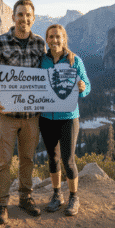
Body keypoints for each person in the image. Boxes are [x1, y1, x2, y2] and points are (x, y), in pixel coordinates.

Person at [0, 0, 46, 225]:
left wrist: (69, 58)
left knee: (27, 158)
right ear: (13, 17)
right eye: (20, 15)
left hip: (31, 117)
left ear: (33, 18)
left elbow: (47, 75)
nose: (24, 19)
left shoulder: (40, 44)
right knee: (3, 161)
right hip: (6, 116)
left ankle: (25, 199)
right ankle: (1, 204)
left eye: (28, 15)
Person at [39, 24, 91, 216]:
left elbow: (87, 88)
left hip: (68, 117)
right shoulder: (42, 61)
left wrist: (83, 87)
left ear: (64, 39)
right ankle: (56, 195)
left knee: (68, 160)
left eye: (58, 37)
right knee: (52, 158)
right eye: (51, 37)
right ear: (47, 39)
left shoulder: (75, 60)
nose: (54, 40)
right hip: (46, 117)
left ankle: (74, 197)